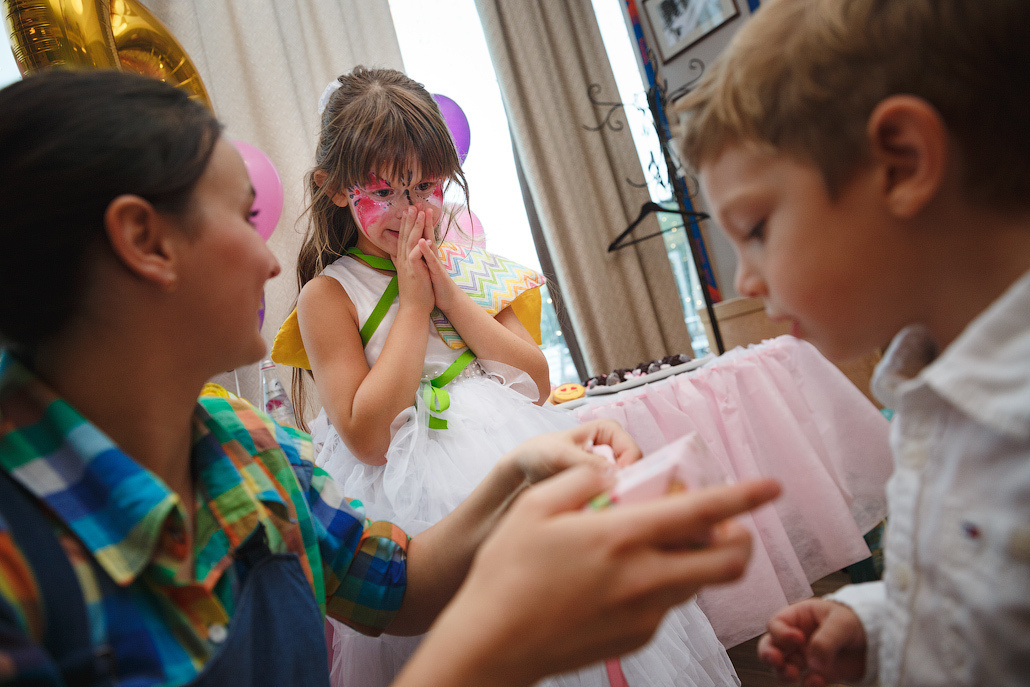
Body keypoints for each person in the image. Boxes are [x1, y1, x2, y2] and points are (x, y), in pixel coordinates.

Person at [0, 68, 781, 687]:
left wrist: (523, 468)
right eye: (243, 217)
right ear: (145, 240)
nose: (271, 254)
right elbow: (367, 434)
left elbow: (393, 583)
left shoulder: (251, 448)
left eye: (426, 185)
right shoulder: (22, 569)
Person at [275, 66, 742, 687]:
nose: (410, 211)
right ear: (334, 189)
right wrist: (413, 308)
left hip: (509, 442)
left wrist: (449, 294)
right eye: (383, 193)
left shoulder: (462, 262)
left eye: (424, 188)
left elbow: (534, 378)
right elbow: (367, 434)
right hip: (416, 498)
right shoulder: (328, 295)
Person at [675, 0, 1030, 685]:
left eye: (755, 228)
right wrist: (879, 621)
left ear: (901, 162)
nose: (745, 278)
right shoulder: (929, 391)